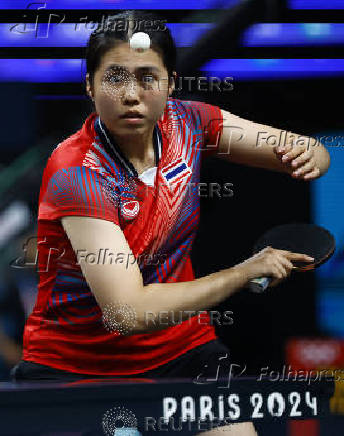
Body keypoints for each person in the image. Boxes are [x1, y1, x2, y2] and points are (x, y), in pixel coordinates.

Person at [10, 10, 330, 435]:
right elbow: (128, 312)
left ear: (170, 83)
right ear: (90, 86)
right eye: (115, 77)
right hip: (77, 365)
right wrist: (245, 272)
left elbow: (298, 148)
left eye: (147, 77)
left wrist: (312, 154)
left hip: (181, 352)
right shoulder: (78, 171)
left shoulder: (190, 123)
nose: (131, 94)